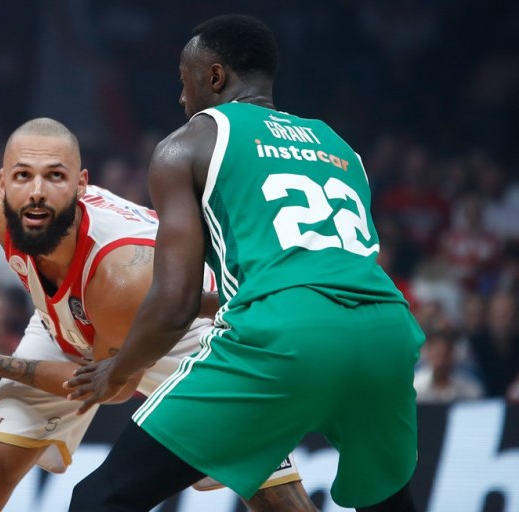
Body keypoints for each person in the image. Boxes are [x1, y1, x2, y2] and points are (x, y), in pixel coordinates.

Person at [64, 14, 425, 512]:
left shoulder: (187, 144)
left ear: (213, 77)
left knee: (100, 500)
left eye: (184, 81)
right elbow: (315, 270)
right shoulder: (341, 148)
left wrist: (119, 370)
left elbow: (175, 300)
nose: (181, 98)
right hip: (388, 333)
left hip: (285, 338)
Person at [0, 118, 317, 512]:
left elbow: (109, 386)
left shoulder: (120, 275)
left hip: (186, 336)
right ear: (3, 184)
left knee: (274, 499)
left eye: (55, 177)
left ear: (81, 184)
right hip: (71, 323)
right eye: (22, 177)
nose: (37, 191)